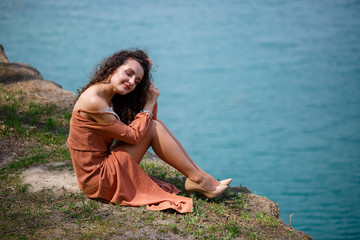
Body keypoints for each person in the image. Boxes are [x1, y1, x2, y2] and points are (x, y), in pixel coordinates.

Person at [67, 49, 232, 213]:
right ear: (114, 67)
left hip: (102, 167)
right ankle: (199, 180)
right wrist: (149, 104)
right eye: (128, 73)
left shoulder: (106, 93)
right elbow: (134, 136)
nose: (132, 82)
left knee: (153, 124)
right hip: (98, 179)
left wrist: (146, 69)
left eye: (137, 81)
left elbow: (147, 124)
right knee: (153, 126)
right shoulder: (94, 100)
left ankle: (202, 178)